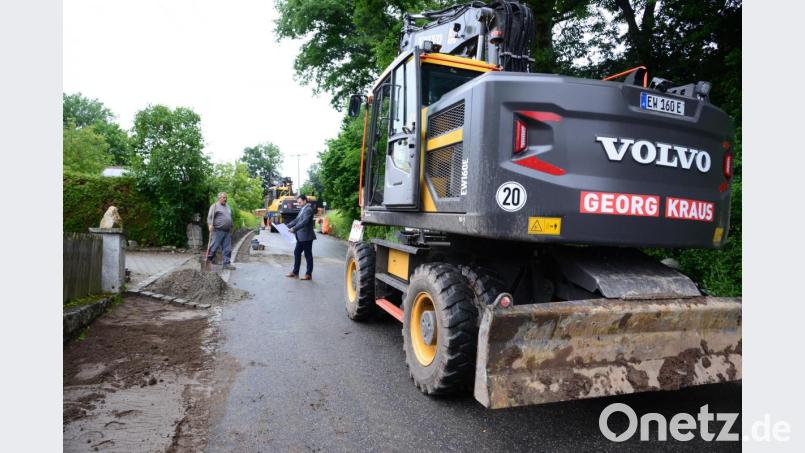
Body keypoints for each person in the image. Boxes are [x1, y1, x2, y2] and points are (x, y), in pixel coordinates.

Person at [285, 194, 316, 280]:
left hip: (307, 236)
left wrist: (294, 229)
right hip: (300, 236)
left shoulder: (308, 209)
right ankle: (295, 272)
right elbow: (297, 220)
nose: (298, 204)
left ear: (305, 200)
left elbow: (304, 222)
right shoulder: (303, 209)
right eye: (298, 202)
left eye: (300, 202)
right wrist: (286, 226)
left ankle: (308, 274)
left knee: (308, 255)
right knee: (297, 252)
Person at [207, 192, 236, 270]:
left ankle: (226, 263)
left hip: (227, 231)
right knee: (213, 247)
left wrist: (232, 226)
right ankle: (208, 260)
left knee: (227, 248)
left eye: (226, 197)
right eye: (223, 197)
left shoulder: (228, 207)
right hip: (217, 231)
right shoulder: (214, 206)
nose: (225, 199)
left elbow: (229, 217)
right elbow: (210, 217)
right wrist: (210, 225)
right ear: (219, 198)